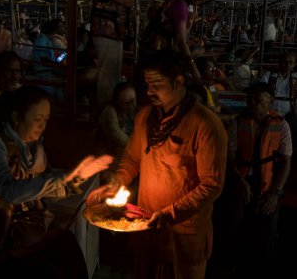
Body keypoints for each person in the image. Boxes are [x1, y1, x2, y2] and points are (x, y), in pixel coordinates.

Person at [0, 85, 114, 278]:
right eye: (37, 119)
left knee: (66, 247)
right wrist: (65, 177)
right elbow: (9, 190)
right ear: (17, 118)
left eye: (45, 120)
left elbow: (40, 187)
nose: (42, 126)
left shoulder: (29, 148)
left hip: (15, 228)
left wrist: (78, 178)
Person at [87, 49, 228, 279]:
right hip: (145, 228)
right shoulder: (145, 116)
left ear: (179, 81)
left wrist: (170, 213)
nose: (149, 91)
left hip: (182, 236)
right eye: (147, 84)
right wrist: (118, 180)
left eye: (157, 85)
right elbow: (133, 158)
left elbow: (212, 185)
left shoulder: (206, 125)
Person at [230, 82, 292, 279]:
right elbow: (229, 159)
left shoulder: (282, 125)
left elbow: (285, 162)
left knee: (269, 231)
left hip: (269, 183)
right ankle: (236, 268)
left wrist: (275, 192)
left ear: (270, 102)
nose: (253, 102)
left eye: (258, 99)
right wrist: (239, 180)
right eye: (250, 99)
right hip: (243, 181)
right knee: (237, 226)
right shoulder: (237, 123)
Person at [90, 0, 135, 105]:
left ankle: (107, 109)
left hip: (113, 35)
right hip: (107, 35)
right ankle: (105, 110)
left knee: (112, 76)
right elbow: (129, 2)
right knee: (107, 78)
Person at [95, 81, 137, 184]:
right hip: (110, 154)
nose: (131, 106)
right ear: (117, 102)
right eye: (126, 103)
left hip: (128, 153)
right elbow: (116, 133)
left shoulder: (138, 111)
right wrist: (137, 147)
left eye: (133, 101)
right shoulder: (110, 111)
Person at [261, 51, 297, 153]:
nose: (287, 65)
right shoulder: (269, 75)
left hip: (289, 114)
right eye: (285, 62)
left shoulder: (296, 78)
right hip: (269, 113)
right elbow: (261, 91)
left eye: (291, 62)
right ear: (279, 62)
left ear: (294, 65)